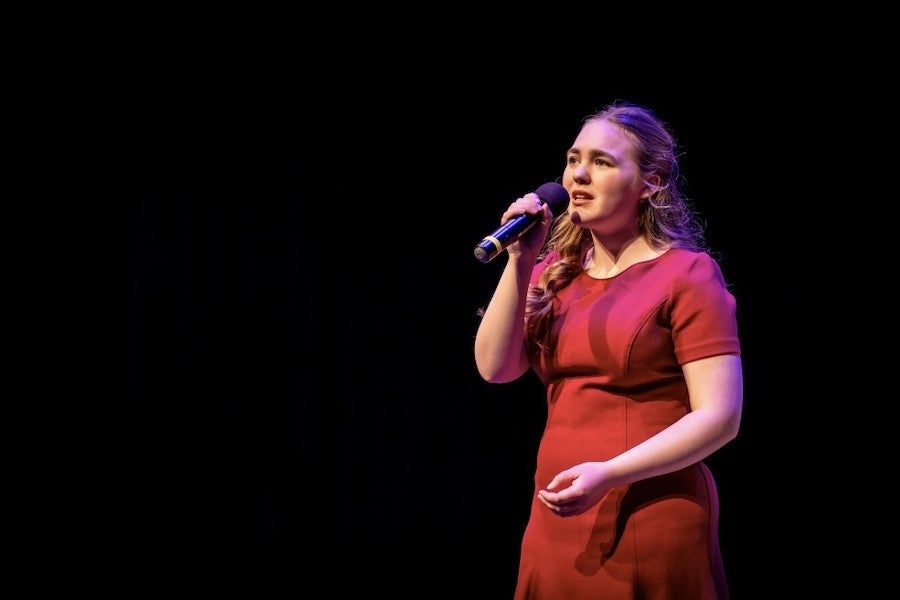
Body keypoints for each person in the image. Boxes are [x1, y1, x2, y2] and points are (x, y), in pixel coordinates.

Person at [474, 101, 743, 600]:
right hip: (556, 515)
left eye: (601, 162)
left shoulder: (687, 275)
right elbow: (495, 367)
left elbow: (721, 416)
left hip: (648, 511)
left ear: (651, 182)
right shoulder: (554, 273)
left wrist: (610, 473)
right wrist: (520, 261)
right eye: (573, 159)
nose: (578, 175)